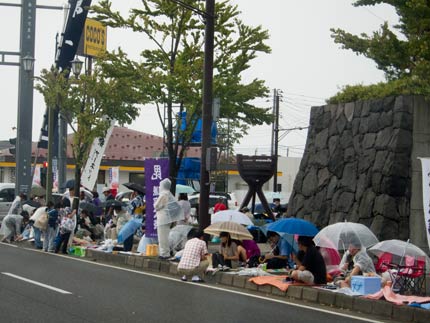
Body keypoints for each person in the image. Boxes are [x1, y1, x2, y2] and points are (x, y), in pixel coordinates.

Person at [154, 178, 184, 259]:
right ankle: (166, 252)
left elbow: (156, 205)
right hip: (167, 218)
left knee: (162, 237)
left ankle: (164, 254)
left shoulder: (164, 194)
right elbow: (177, 207)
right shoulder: (170, 194)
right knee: (166, 236)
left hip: (162, 219)